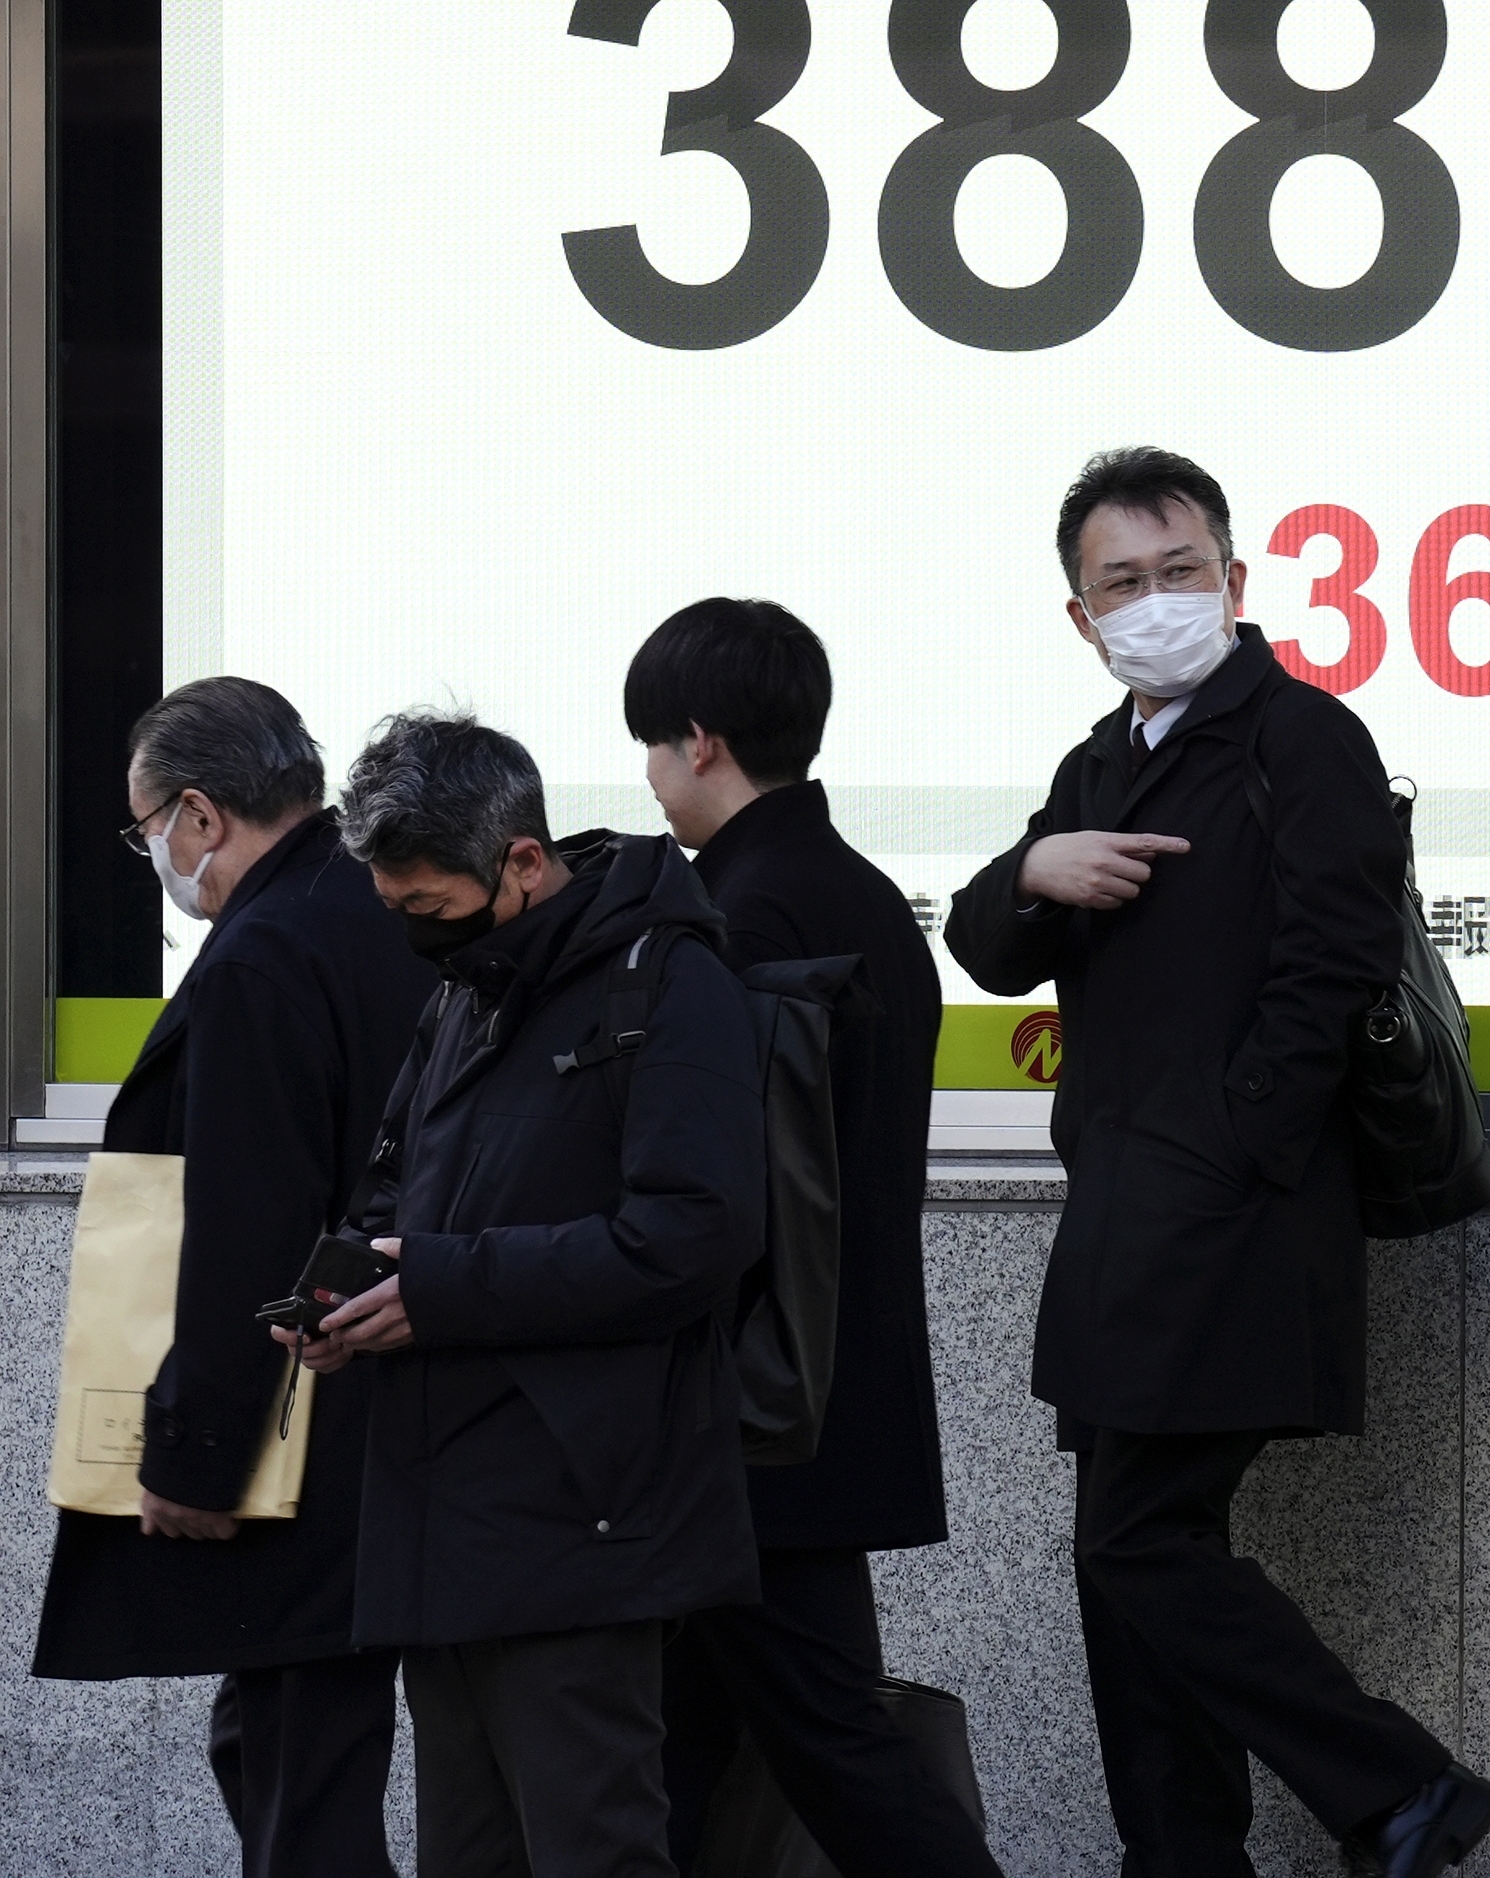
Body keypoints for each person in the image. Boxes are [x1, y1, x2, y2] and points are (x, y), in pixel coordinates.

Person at [943, 447, 1490, 1878]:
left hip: (1231, 1214)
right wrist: (1031, 872)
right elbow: (992, 950)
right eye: (1121, 582)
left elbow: (1335, 965)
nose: (1156, 600)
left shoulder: (1301, 739)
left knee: (1140, 1543)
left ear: (1236, 578)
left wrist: (1242, 1142)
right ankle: (1184, 1853)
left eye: (1179, 570)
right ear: (1081, 614)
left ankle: (1398, 1786)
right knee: (1116, 1557)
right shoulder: (1099, 763)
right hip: (1125, 1217)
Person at [283, 711, 768, 1878]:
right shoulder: (468, 989)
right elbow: (401, 1181)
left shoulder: (666, 975)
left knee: (591, 1847)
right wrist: (348, 1282)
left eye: (428, 908)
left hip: (582, 1508)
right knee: (468, 1852)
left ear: (523, 861)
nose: (412, 934)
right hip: (443, 1502)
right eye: (394, 907)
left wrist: (440, 1285)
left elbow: (695, 1236)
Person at [33, 678, 438, 1878]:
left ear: (201, 814)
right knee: (283, 1744)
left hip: (308, 1416)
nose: (151, 849)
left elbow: (245, 1225)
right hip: (402, 1394)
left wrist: (193, 1456)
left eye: (144, 822)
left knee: (296, 1767)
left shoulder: (266, 950)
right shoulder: (373, 909)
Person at [627, 598, 999, 1877]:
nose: (655, 779)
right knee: (680, 1738)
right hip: (828, 1381)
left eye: (655, 747)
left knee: (825, 1731)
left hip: (758, 1400)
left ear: (701, 738)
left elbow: (724, 1180)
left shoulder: (740, 912)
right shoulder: (862, 898)